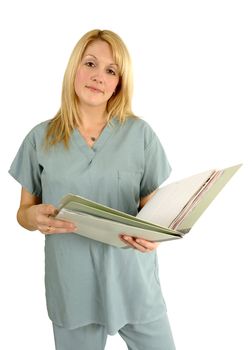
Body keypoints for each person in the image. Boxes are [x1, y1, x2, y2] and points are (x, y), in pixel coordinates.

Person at [9, 29, 176, 350]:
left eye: (111, 71)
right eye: (90, 63)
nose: (98, 76)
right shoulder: (39, 138)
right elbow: (23, 213)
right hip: (74, 286)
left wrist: (155, 235)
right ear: (74, 68)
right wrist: (33, 217)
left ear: (119, 83)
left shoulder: (140, 135)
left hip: (133, 283)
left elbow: (155, 213)